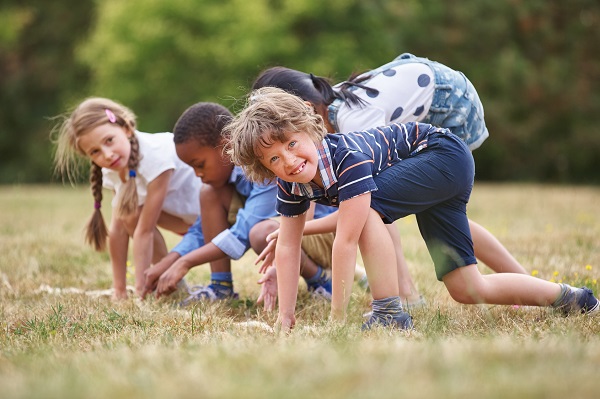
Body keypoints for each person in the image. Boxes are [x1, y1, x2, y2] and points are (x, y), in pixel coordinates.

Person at [224, 87, 599, 331]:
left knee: (368, 212)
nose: (288, 160)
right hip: (435, 168)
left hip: (443, 155)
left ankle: (389, 313)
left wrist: (337, 324)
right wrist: (284, 320)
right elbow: (287, 247)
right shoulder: (291, 183)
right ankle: (573, 298)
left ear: (310, 129)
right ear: (265, 168)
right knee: (466, 288)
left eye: (292, 143)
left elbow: (348, 238)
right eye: (274, 158)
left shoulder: (346, 159)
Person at [252, 55, 527, 306]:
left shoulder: (354, 120)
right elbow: (304, 201)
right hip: (435, 104)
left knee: (379, 203)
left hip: (451, 103)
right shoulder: (326, 126)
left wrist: (298, 236)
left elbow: (367, 203)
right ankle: (522, 283)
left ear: (305, 110)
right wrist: (288, 247)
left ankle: (405, 295)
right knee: (433, 208)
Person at [142, 102, 335, 305]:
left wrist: (185, 262)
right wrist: (169, 261)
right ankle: (221, 287)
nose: (198, 174)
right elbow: (201, 230)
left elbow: (242, 233)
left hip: (319, 234)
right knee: (209, 193)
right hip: (289, 234)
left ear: (226, 146)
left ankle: (321, 281)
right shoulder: (225, 183)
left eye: (200, 165)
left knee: (261, 233)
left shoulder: (265, 164)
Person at [53, 97, 202, 299]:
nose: (106, 154)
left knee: (136, 218)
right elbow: (118, 230)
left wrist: (139, 291)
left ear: (126, 129)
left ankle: (157, 283)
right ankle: (170, 285)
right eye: (95, 152)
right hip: (184, 219)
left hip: (208, 219)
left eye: (109, 141)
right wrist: (119, 291)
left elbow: (145, 231)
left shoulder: (156, 157)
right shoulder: (114, 167)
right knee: (129, 215)